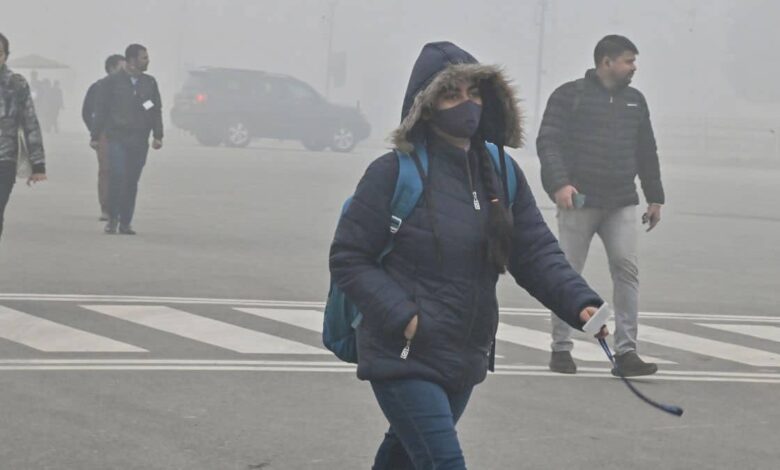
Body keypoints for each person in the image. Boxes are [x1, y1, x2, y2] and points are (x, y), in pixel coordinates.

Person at [330, 41, 608, 470]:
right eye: (451, 94)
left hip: (464, 351)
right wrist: (403, 316)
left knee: (404, 456)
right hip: (404, 353)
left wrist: (581, 303)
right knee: (444, 462)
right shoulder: (392, 173)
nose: (467, 104)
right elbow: (350, 257)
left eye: (473, 92)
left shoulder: (500, 171)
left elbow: (533, 251)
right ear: (426, 105)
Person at [536, 35, 665, 377]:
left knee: (626, 270)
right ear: (606, 62)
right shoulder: (569, 96)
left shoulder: (635, 102)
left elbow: (646, 151)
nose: (633, 67)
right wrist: (559, 183)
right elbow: (548, 142)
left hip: (621, 200)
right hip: (579, 201)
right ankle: (561, 348)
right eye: (628, 60)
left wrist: (655, 196)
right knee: (567, 273)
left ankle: (627, 353)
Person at [91, 43, 163, 235]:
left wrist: (158, 135)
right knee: (117, 175)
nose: (147, 61)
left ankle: (126, 221)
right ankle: (112, 218)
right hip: (117, 137)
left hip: (139, 139)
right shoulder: (111, 83)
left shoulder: (149, 83)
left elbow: (155, 109)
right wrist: (95, 135)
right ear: (132, 60)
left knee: (131, 180)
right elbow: (102, 110)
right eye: (144, 57)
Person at [0, 32, 47, 242]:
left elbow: (30, 122)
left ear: (6, 55)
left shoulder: (16, 85)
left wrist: (38, 164)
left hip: (5, 158)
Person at [82, 54, 126, 221]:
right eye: (121, 67)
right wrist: (95, 133)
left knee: (124, 172)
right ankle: (106, 208)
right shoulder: (98, 87)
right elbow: (87, 111)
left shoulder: (132, 86)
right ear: (111, 69)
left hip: (127, 135)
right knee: (106, 171)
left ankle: (122, 206)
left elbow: (146, 104)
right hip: (105, 135)